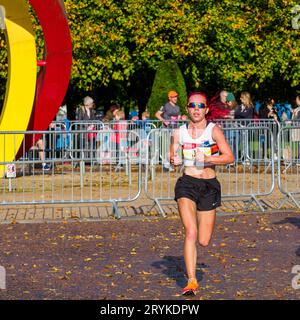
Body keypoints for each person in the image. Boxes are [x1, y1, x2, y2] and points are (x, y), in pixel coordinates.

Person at [170, 91, 235, 296]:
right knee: (191, 231)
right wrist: (173, 161)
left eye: (200, 106)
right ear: (187, 109)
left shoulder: (213, 130)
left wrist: (208, 159)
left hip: (209, 186)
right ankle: (191, 280)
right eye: (192, 105)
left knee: (204, 240)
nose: (196, 109)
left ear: (206, 109)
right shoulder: (179, 132)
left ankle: (193, 274)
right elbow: (171, 156)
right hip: (186, 184)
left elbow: (229, 157)